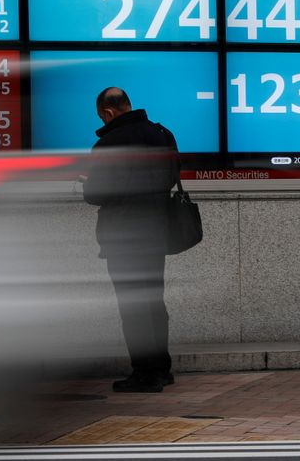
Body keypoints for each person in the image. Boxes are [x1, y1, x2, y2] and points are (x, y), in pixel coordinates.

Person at [82, 87, 179, 393]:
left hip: (123, 236)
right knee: (153, 301)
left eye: (101, 116)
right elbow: (171, 176)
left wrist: (89, 183)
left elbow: (96, 194)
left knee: (133, 306)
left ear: (108, 112)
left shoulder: (107, 144)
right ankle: (162, 369)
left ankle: (144, 374)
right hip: (156, 231)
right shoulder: (163, 134)